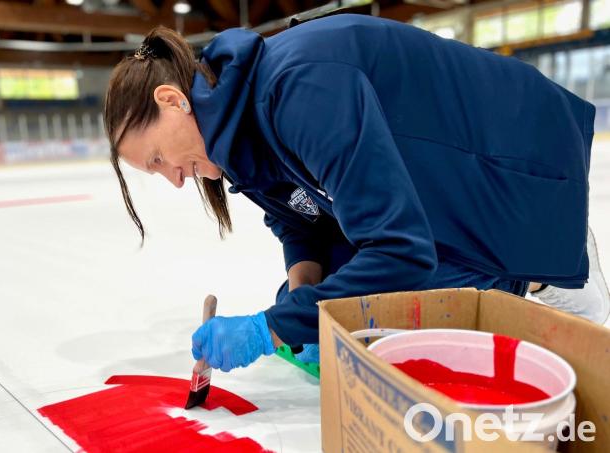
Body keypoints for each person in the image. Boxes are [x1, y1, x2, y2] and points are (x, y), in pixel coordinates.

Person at [103, 14, 610, 372]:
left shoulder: (296, 89)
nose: (172, 177)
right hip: (440, 197)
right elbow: (297, 215)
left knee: (374, 293)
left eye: (156, 159)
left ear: (171, 100)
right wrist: (303, 287)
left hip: (513, 181)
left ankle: (538, 281)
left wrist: (272, 329)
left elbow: (400, 251)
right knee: (322, 299)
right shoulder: (237, 130)